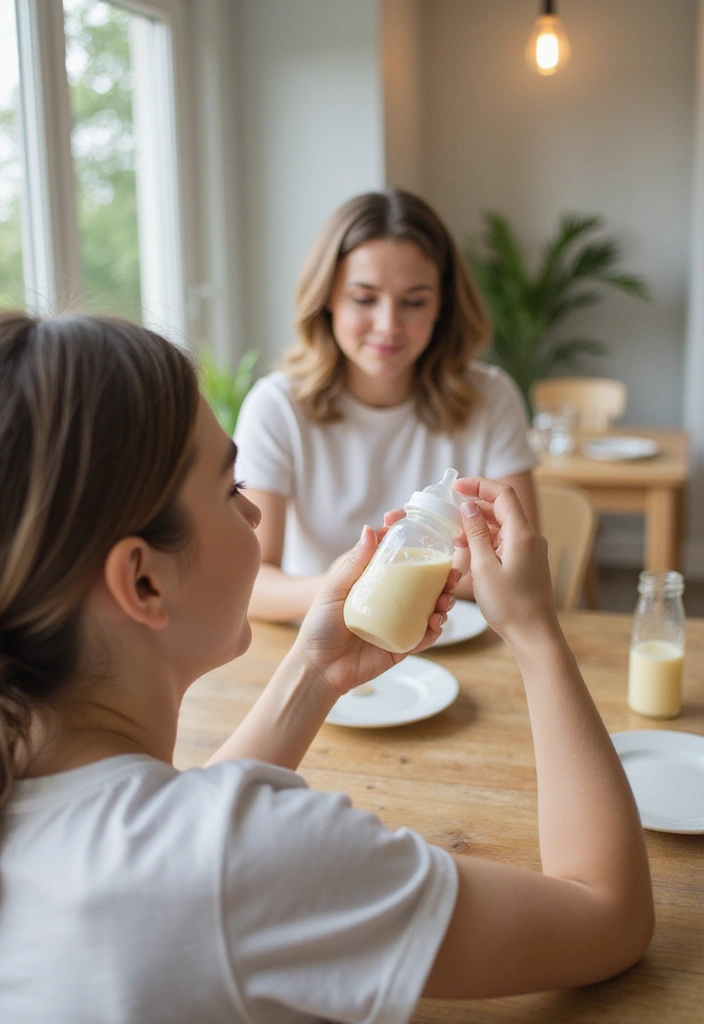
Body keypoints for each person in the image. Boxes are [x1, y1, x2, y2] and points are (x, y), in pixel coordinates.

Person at [0, 311, 653, 1024]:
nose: (252, 517)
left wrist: (317, 673)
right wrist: (534, 633)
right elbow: (609, 915)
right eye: (229, 490)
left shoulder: (31, 782)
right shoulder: (245, 862)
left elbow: (185, 836)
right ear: (144, 582)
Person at [235, 188, 539, 623]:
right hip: (318, 640)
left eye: (414, 301)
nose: (388, 325)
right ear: (327, 300)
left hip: (456, 642)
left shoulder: (492, 399)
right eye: (363, 298)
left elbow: (516, 569)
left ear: (443, 306)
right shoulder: (277, 406)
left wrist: (400, 585)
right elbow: (252, 583)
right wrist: (370, 583)